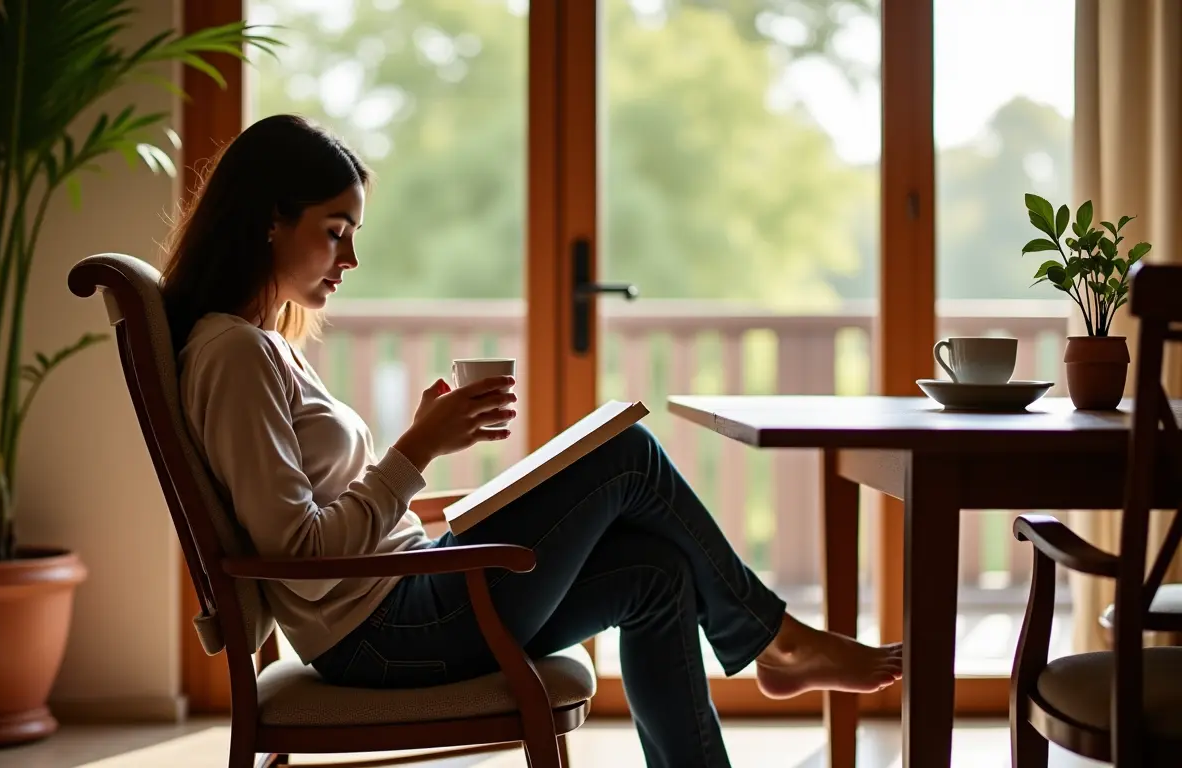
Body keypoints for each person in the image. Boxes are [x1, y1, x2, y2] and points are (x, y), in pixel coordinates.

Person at [163, 114, 902, 768]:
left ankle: (759, 659)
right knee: (626, 455)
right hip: (387, 635)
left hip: (408, 600)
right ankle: (776, 640)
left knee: (658, 571)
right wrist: (415, 450)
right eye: (335, 231)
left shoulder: (260, 345)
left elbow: (328, 523)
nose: (350, 260)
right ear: (269, 220)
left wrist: (429, 463)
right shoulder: (233, 354)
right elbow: (297, 559)